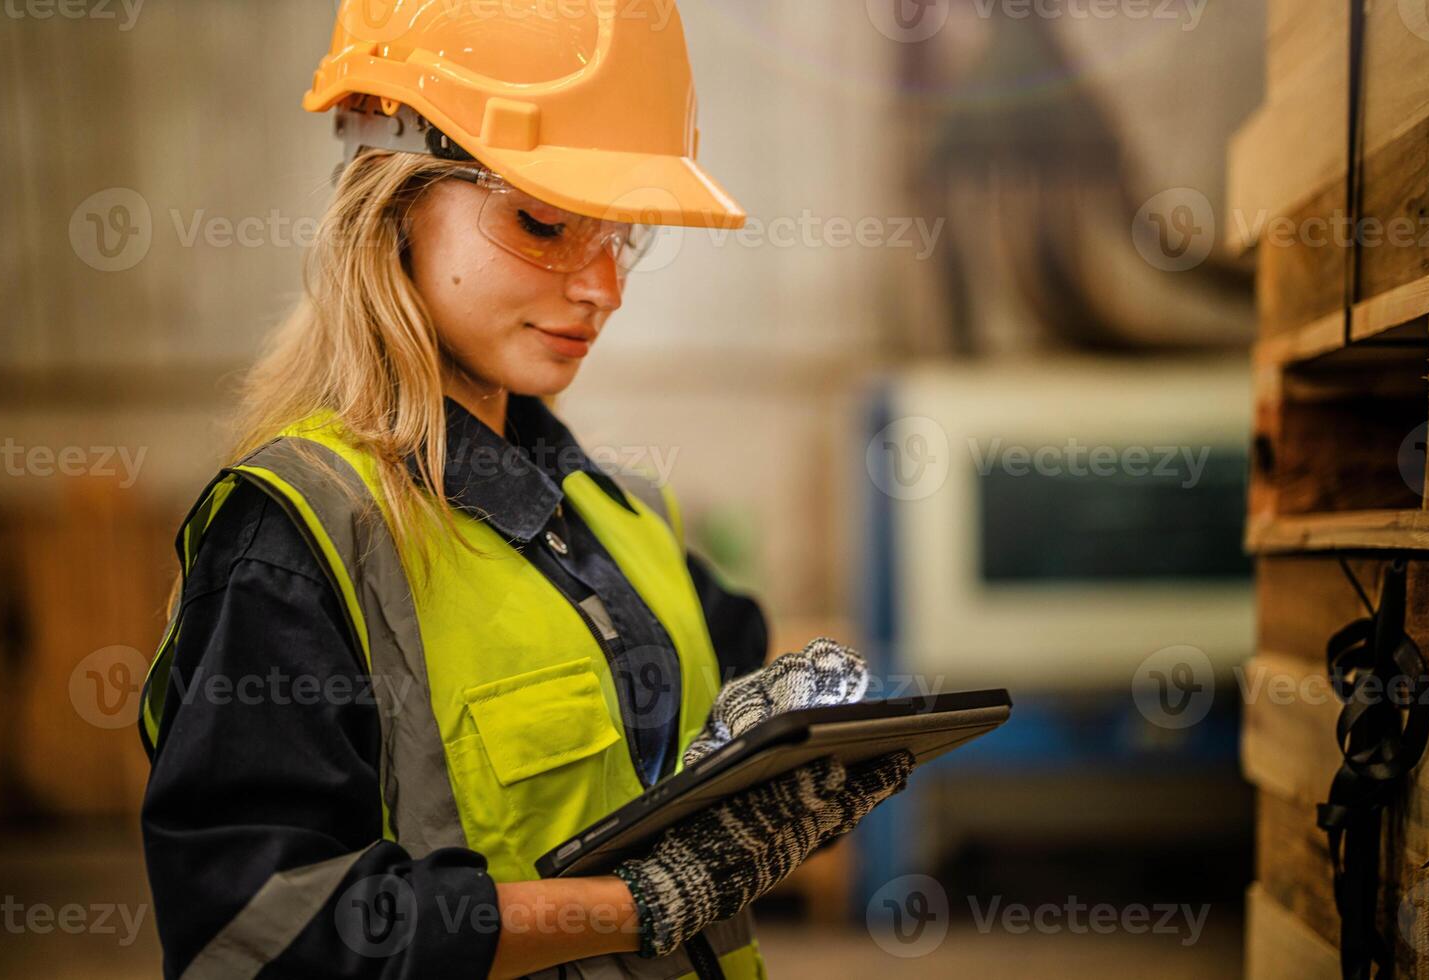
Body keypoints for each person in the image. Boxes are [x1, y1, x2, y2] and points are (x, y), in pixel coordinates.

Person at [137, 3, 914, 977]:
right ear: (392, 201)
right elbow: (254, 941)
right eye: (544, 221)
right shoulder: (293, 539)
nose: (605, 286)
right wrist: (642, 902)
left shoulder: (616, 512)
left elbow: (731, 687)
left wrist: (793, 755)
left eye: (621, 235)